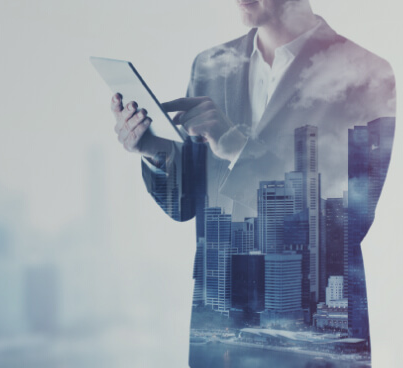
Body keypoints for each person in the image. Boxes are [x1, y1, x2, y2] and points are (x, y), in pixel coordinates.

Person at [110, 0, 395, 366]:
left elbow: (351, 221)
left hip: (316, 342)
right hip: (221, 338)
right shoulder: (209, 66)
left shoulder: (368, 74)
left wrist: (237, 148)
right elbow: (185, 206)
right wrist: (154, 151)